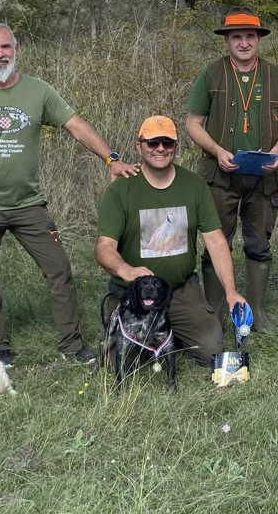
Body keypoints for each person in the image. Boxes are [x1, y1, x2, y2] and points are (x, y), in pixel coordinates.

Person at [0, 22, 139, 366]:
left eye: (5, 47)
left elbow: (75, 125)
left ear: (16, 49)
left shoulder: (39, 91)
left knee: (59, 270)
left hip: (29, 204)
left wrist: (111, 158)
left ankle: (72, 345)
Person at [95, 115, 248, 365]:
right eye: (153, 143)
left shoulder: (195, 185)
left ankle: (169, 331)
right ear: (139, 146)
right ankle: (152, 336)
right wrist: (125, 269)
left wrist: (231, 292)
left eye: (167, 143)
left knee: (211, 350)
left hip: (179, 292)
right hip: (134, 294)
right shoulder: (121, 190)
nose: (160, 149)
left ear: (176, 147)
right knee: (119, 363)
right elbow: (104, 247)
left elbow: (216, 241)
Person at [185, 6, 278, 331]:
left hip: (264, 177)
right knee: (214, 242)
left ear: (258, 40)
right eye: (237, 37)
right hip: (221, 176)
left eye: (250, 36)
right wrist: (217, 151)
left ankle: (258, 312)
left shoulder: (277, 74)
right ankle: (215, 312)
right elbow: (193, 124)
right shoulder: (212, 73)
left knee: (259, 243)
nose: (244, 43)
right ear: (227, 41)